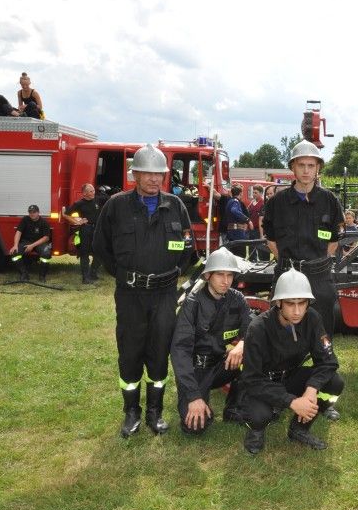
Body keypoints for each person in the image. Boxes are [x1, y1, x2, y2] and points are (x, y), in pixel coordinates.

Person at [93, 144, 195, 437]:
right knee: (130, 351)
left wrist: (175, 273)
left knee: (159, 350)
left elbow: (187, 247)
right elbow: (102, 247)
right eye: (147, 173)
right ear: (135, 174)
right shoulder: (117, 205)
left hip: (164, 295)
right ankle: (131, 412)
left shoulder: (175, 206)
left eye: (158, 174)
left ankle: (155, 411)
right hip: (130, 295)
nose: (153, 179)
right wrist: (126, 276)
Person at [262, 140, 344, 419]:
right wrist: (291, 265)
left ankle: (323, 401)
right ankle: (278, 391)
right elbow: (271, 239)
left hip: (319, 276)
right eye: (301, 165)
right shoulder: (277, 203)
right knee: (278, 333)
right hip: (286, 274)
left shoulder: (330, 201)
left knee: (323, 337)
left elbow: (333, 241)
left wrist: (313, 264)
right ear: (293, 169)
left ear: (318, 169)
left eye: (311, 165)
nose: (306, 170)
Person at [238, 267, 344, 454]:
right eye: (290, 304)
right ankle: (256, 431)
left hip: (291, 376)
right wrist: (292, 402)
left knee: (335, 382)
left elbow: (328, 361)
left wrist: (311, 390)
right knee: (260, 415)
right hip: (264, 383)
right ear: (278, 302)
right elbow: (251, 379)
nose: (297, 311)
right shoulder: (258, 328)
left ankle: (299, 429)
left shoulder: (312, 318)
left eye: (302, 303)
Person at [171, 248, 251, 434]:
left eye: (230, 275)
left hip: (221, 365)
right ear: (207, 276)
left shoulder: (237, 299)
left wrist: (242, 344)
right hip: (195, 370)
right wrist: (193, 396)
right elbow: (180, 351)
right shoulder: (192, 303)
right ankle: (197, 398)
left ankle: (234, 408)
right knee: (195, 427)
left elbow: (252, 326)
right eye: (220, 275)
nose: (226, 281)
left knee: (253, 356)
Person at [63, 183, 102, 283]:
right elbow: (65, 214)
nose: (93, 193)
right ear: (84, 193)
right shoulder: (79, 203)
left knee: (100, 253)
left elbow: (112, 198)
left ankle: (93, 273)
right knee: (84, 254)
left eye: (93, 190)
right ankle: (85, 278)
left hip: (97, 230)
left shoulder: (98, 200)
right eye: (90, 191)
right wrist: (77, 221)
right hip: (85, 229)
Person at [9, 205, 52, 282]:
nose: (32, 214)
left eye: (34, 212)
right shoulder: (25, 220)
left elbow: (46, 238)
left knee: (46, 254)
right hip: (26, 242)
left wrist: (32, 246)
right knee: (15, 253)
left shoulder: (44, 222)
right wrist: (15, 245)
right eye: (30, 212)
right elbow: (18, 232)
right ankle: (24, 274)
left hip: (39, 243)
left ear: (38, 212)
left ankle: (42, 276)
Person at [247, 185, 267, 261]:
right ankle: (252, 260)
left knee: (261, 247)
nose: (254, 194)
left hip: (260, 229)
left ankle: (263, 261)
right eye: (253, 192)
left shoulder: (263, 203)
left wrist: (262, 233)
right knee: (251, 246)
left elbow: (262, 218)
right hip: (252, 230)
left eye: (256, 193)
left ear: (261, 193)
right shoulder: (252, 203)